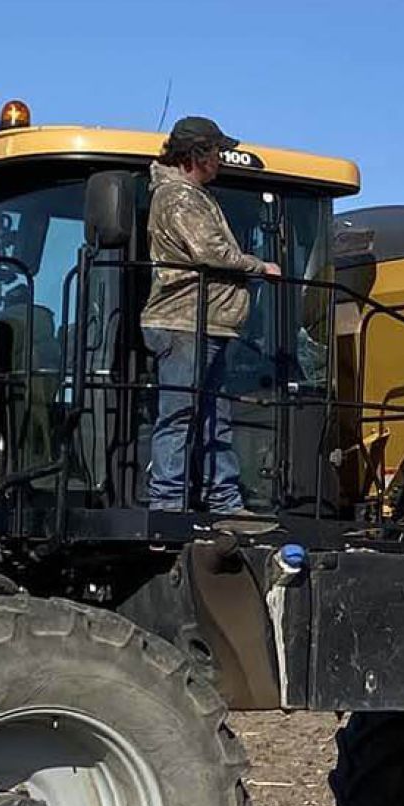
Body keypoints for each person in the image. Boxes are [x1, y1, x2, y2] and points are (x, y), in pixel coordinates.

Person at [143, 116, 280, 515]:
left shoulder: (191, 195)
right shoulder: (179, 198)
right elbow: (210, 251)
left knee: (212, 414)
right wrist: (260, 266)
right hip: (184, 321)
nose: (220, 159)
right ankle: (168, 503)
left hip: (206, 322)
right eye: (217, 152)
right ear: (197, 155)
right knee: (181, 414)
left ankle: (222, 498)